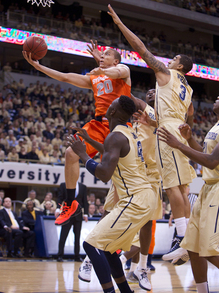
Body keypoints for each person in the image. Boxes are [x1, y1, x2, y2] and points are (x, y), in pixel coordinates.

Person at [108, 4, 195, 263]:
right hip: (177, 127)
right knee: (181, 186)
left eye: (175, 57)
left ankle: (183, 240)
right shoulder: (187, 88)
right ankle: (185, 237)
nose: (171, 59)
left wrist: (120, 25)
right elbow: (189, 113)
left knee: (172, 188)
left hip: (168, 131)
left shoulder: (167, 73)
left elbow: (141, 49)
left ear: (179, 64)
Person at [22, 40, 131, 226]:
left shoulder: (122, 71)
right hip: (98, 125)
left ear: (115, 61)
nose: (102, 55)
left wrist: (102, 69)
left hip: (120, 128)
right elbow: (65, 77)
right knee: (71, 152)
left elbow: (118, 71)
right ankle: (70, 203)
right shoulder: (94, 78)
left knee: (121, 182)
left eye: (106, 54)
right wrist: (38, 67)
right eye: (101, 54)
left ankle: (122, 231)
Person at [68, 95, 155, 293]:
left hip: (135, 199)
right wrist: (89, 140)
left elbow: (104, 174)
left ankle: (110, 291)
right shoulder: (127, 132)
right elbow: (112, 154)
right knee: (107, 248)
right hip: (143, 196)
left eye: (111, 104)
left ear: (113, 112)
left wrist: (83, 154)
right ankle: (125, 291)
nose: (108, 106)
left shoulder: (115, 136)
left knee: (91, 245)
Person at [157, 89, 219, 293]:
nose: (216, 97)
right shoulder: (218, 126)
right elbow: (205, 154)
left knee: (210, 249)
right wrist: (189, 140)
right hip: (210, 188)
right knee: (193, 248)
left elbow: (210, 162)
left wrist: (178, 145)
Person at [55, 181, 88, 262]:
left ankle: (77, 256)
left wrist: (86, 213)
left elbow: (85, 201)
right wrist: (57, 208)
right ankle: (60, 255)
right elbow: (60, 197)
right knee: (63, 235)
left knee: (77, 236)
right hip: (67, 214)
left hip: (78, 215)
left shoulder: (83, 187)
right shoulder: (64, 185)